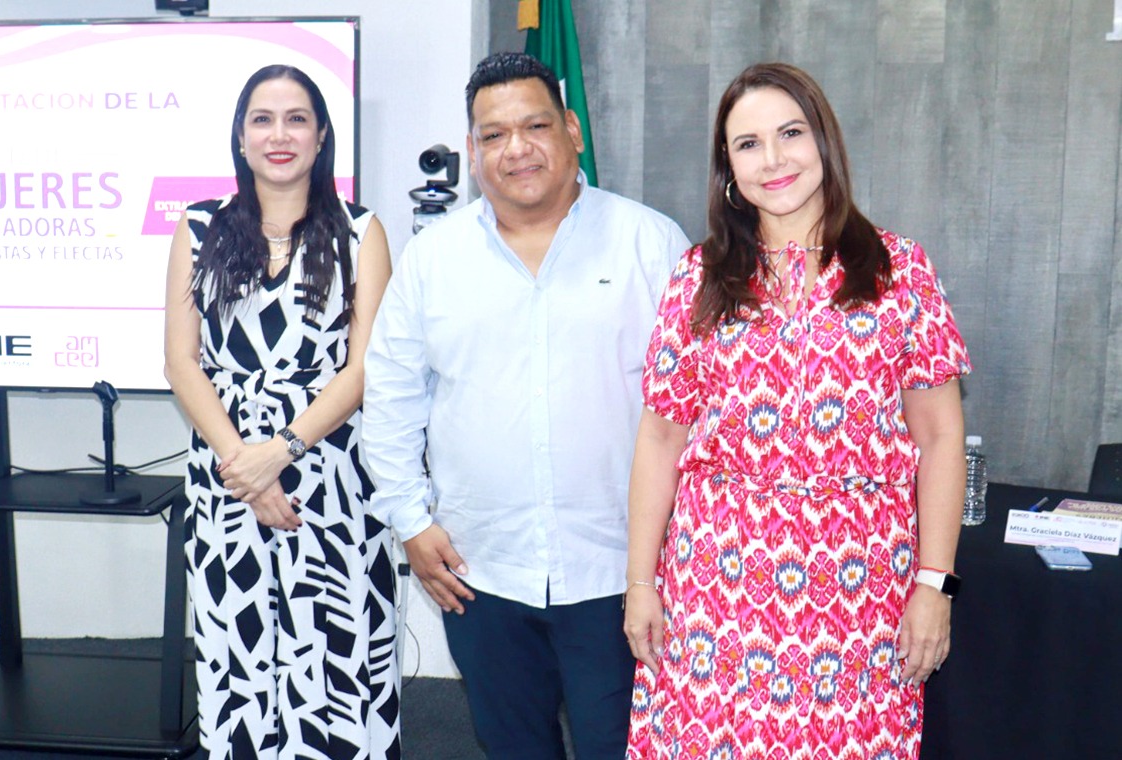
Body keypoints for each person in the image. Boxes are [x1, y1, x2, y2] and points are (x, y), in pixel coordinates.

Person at [623, 62, 971, 759]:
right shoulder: (698, 277)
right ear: (729, 168)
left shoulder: (898, 269)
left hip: (860, 586)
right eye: (748, 144)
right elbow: (660, 439)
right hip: (717, 583)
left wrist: (935, 585)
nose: (773, 159)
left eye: (790, 134)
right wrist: (639, 583)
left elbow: (940, 438)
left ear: (824, 142)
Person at [361, 52, 690, 759]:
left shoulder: (651, 244)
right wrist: (410, 522)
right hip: (482, 571)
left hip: (620, 572)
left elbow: (701, 407)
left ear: (572, 130)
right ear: (474, 149)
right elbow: (390, 398)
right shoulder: (433, 259)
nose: (517, 148)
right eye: (494, 134)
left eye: (536, 126)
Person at [164, 64, 399, 759]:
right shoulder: (199, 227)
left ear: (321, 136)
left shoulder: (362, 232)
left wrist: (282, 451)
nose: (279, 135)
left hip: (331, 478)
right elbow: (181, 362)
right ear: (240, 138)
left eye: (297, 119)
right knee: (238, 659)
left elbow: (364, 368)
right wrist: (246, 465)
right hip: (228, 479)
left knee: (335, 657)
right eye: (262, 120)